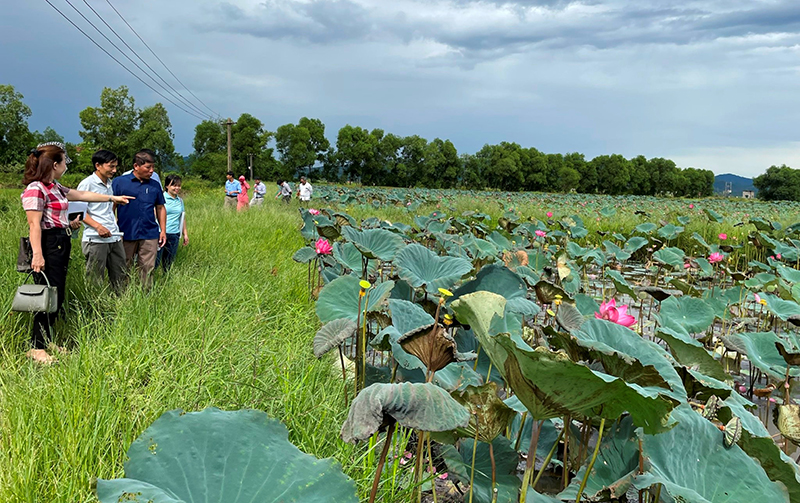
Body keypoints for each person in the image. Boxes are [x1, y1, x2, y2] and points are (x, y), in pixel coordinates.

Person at [21, 142, 132, 363]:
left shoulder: (55, 187)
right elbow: (34, 225)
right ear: (55, 164)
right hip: (46, 244)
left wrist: (112, 198)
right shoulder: (37, 188)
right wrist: (37, 254)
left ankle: (47, 338)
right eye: (64, 161)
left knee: (57, 295)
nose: (66, 165)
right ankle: (36, 347)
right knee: (46, 295)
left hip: (60, 242)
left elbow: (81, 195)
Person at [112, 149, 166, 289]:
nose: (151, 171)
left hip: (149, 233)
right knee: (124, 265)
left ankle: (145, 295)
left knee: (147, 268)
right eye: (148, 167)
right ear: (136, 166)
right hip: (126, 231)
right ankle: (123, 295)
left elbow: (160, 208)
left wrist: (163, 230)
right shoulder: (119, 182)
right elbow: (112, 206)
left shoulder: (154, 185)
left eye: (153, 167)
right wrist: (112, 225)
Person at [77, 149, 127, 293]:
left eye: (115, 166)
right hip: (95, 239)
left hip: (114, 236)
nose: (114, 170)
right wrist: (98, 227)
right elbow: (79, 212)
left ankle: (119, 308)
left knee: (120, 276)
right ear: (98, 165)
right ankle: (95, 310)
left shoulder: (111, 184)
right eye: (111, 166)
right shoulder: (87, 184)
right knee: (95, 279)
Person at [155, 174, 188, 271]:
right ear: (166, 186)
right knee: (155, 262)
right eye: (174, 185)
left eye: (179, 185)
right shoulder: (160, 198)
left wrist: (185, 234)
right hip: (160, 234)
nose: (177, 188)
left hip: (174, 234)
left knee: (168, 263)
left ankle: (166, 281)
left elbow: (182, 217)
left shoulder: (180, 201)